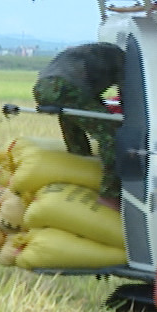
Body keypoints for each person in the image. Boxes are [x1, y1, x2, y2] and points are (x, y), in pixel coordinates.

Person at [32, 42, 124, 199]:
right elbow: (128, 96)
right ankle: (110, 194)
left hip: (41, 87)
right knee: (111, 135)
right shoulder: (122, 60)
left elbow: (91, 98)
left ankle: (79, 170)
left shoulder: (98, 52)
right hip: (65, 87)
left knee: (73, 126)